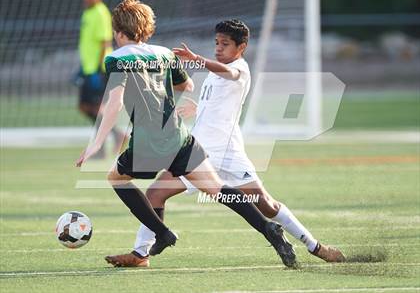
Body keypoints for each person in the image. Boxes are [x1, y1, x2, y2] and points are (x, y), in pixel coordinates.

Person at [104, 19, 346, 268]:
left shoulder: (239, 69)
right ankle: (315, 247)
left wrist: (197, 59)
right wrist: (199, 109)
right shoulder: (216, 70)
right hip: (226, 150)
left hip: (212, 150)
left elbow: (229, 75)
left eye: (226, 44)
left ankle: (141, 254)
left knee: (156, 193)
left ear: (241, 47)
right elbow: (221, 104)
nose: (219, 48)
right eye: (217, 43)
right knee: (265, 203)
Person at [76, 0, 297, 268]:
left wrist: (95, 144)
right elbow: (188, 85)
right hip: (180, 138)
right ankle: (268, 229)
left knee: (117, 178)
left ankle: (163, 233)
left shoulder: (116, 58)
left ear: (120, 33)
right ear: (146, 29)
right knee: (218, 189)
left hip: (149, 143)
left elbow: (115, 103)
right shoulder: (164, 53)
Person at [78, 0, 124, 157]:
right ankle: (117, 134)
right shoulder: (87, 13)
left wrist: (98, 69)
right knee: (84, 106)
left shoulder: (101, 12)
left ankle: (101, 147)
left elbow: (105, 42)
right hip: (87, 67)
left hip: (100, 68)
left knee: (98, 107)